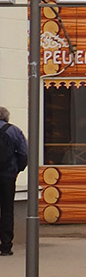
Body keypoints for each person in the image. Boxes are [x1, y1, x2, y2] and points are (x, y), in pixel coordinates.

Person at [0, 108, 30, 257]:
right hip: (7, 175)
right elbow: (24, 153)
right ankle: (5, 246)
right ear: (7, 118)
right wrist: (17, 170)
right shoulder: (14, 131)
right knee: (7, 209)